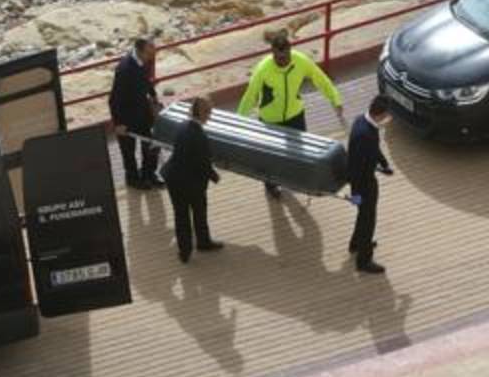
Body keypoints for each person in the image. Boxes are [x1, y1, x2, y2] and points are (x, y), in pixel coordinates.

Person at [237, 31, 344, 199]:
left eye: (285, 57)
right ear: (272, 53)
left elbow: (320, 79)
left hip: (295, 115)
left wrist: (335, 99)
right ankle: (271, 185)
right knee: (270, 157)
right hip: (270, 121)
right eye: (278, 58)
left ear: (290, 51)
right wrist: (239, 121)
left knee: (300, 151)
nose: (283, 61)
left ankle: (295, 180)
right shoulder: (262, 69)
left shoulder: (300, 61)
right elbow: (250, 96)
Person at [161, 97, 224, 263]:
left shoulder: (183, 126)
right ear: (203, 114)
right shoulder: (199, 137)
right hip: (190, 181)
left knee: (181, 215)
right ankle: (203, 242)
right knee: (198, 211)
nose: (209, 116)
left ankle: (185, 252)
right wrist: (214, 176)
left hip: (174, 177)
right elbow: (203, 162)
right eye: (208, 112)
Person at [347, 94, 394, 275]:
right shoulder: (364, 135)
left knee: (364, 216)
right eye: (387, 115)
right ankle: (364, 260)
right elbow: (357, 168)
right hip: (364, 185)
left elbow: (375, 150)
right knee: (368, 220)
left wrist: (384, 164)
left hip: (364, 181)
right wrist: (357, 194)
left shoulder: (363, 121)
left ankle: (357, 243)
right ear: (381, 115)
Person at [109, 37, 164, 190]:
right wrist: (118, 123)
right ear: (139, 52)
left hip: (143, 111)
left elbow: (146, 81)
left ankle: (149, 174)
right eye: (149, 53)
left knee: (153, 143)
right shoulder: (124, 70)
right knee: (128, 150)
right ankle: (132, 179)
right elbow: (114, 99)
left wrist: (153, 96)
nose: (152, 56)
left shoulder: (144, 60)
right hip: (126, 116)